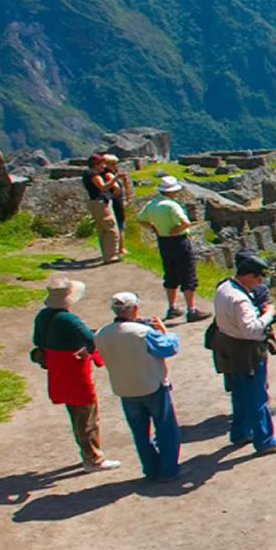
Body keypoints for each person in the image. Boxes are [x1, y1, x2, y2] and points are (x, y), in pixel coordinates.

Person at [94, 292, 181, 481]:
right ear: (134, 309)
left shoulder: (101, 334)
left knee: (140, 433)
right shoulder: (142, 333)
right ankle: (169, 470)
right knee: (166, 429)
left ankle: (150, 468)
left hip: (124, 388)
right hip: (151, 384)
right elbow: (169, 347)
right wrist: (165, 331)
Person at [33, 276, 118, 470]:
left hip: (58, 370)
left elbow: (39, 341)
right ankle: (93, 458)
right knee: (87, 415)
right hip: (75, 371)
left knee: (75, 413)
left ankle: (87, 452)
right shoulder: (69, 319)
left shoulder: (42, 316)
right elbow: (91, 339)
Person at [210, 252, 276, 456]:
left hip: (228, 345)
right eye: (257, 277)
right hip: (246, 350)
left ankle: (240, 432)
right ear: (247, 276)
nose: (259, 282)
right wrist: (268, 315)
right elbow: (251, 330)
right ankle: (265, 440)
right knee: (257, 396)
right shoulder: (240, 301)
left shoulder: (224, 288)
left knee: (239, 393)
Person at [137, 177, 207, 322]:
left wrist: (152, 227)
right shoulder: (172, 205)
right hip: (179, 241)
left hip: (163, 241)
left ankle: (172, 307)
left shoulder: (151, 204)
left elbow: (140, 218)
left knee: (170, 273)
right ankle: (191, 309)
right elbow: (185, 222)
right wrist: (176, 230)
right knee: (188, 274)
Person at [82, 155, 120, 264]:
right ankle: (111, 256)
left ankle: (106, 254)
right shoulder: (93, 174)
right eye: (102, 164)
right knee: (111, 228)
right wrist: (115, 178)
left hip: (94, 203)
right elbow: (103, 187)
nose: (104, 167)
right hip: (100, 203)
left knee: (102, 230)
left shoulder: (87, 174)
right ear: (96, 164)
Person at [105, 155, 133, 257]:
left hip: (113, 201)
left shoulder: (110, 174)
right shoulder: (109, 175)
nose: (115, 166)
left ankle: (118, 247)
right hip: (116, 201)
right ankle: (120, 247)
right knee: (120, 224)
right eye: (113, 164)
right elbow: (116, 188)